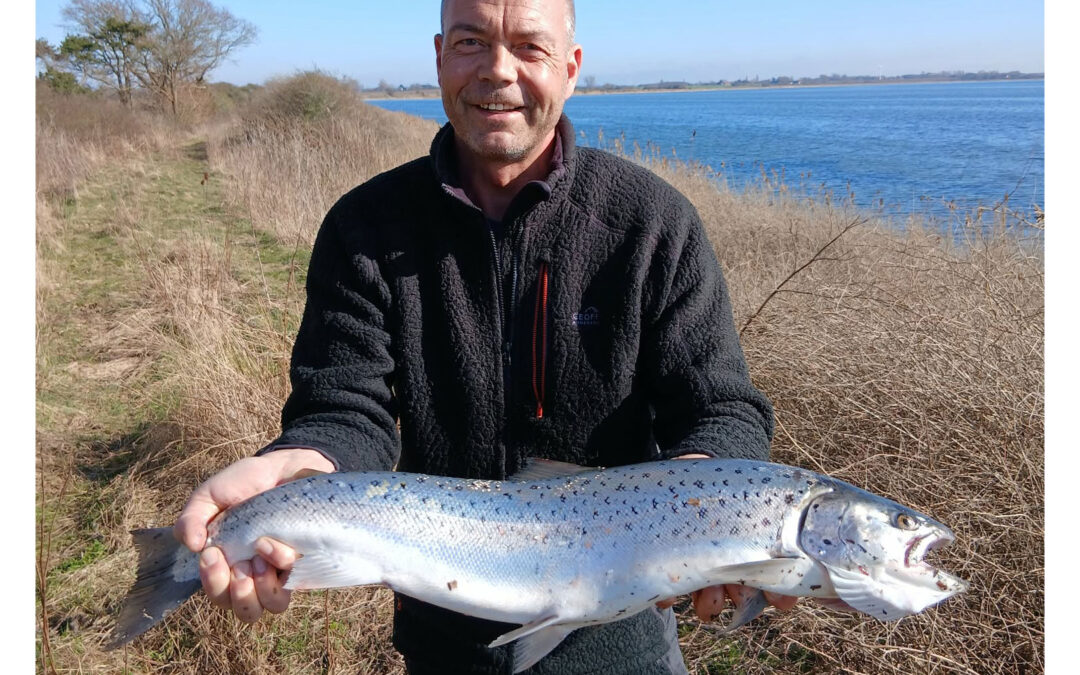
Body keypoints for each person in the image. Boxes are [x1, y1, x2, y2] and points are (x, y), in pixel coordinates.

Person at [173, 0, 796, 672]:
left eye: (529, 46)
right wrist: (305, 460)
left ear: (571, 67)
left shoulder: (652, 224)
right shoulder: (364, 227)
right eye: (472, 41)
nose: (498, 70)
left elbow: (720, 406)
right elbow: (344, 409)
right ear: (440, 56)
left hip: (624, 645)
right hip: (441, 644)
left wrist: (708, 505)